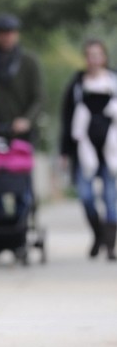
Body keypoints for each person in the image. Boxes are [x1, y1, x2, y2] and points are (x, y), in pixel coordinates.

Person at [0, 13, 44, 217]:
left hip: (21, 134)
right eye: (2, 33)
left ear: (17, 35)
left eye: (10, 33)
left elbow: (39, 98)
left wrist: (26, 120)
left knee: (22, 183)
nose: (6, 37)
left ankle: (20, 227)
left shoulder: (29, 62)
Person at [60, 38, 117, 261]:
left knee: (111, 198)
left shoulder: (113, 81)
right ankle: (99, 234)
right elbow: (67, 120)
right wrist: (64, 152)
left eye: (98, 55)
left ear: (104, 57)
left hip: (111, 149)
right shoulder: (76, 85)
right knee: (86, 196)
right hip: (83, 149)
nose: (94, 60)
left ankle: (110, 247)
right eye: (90, 55)